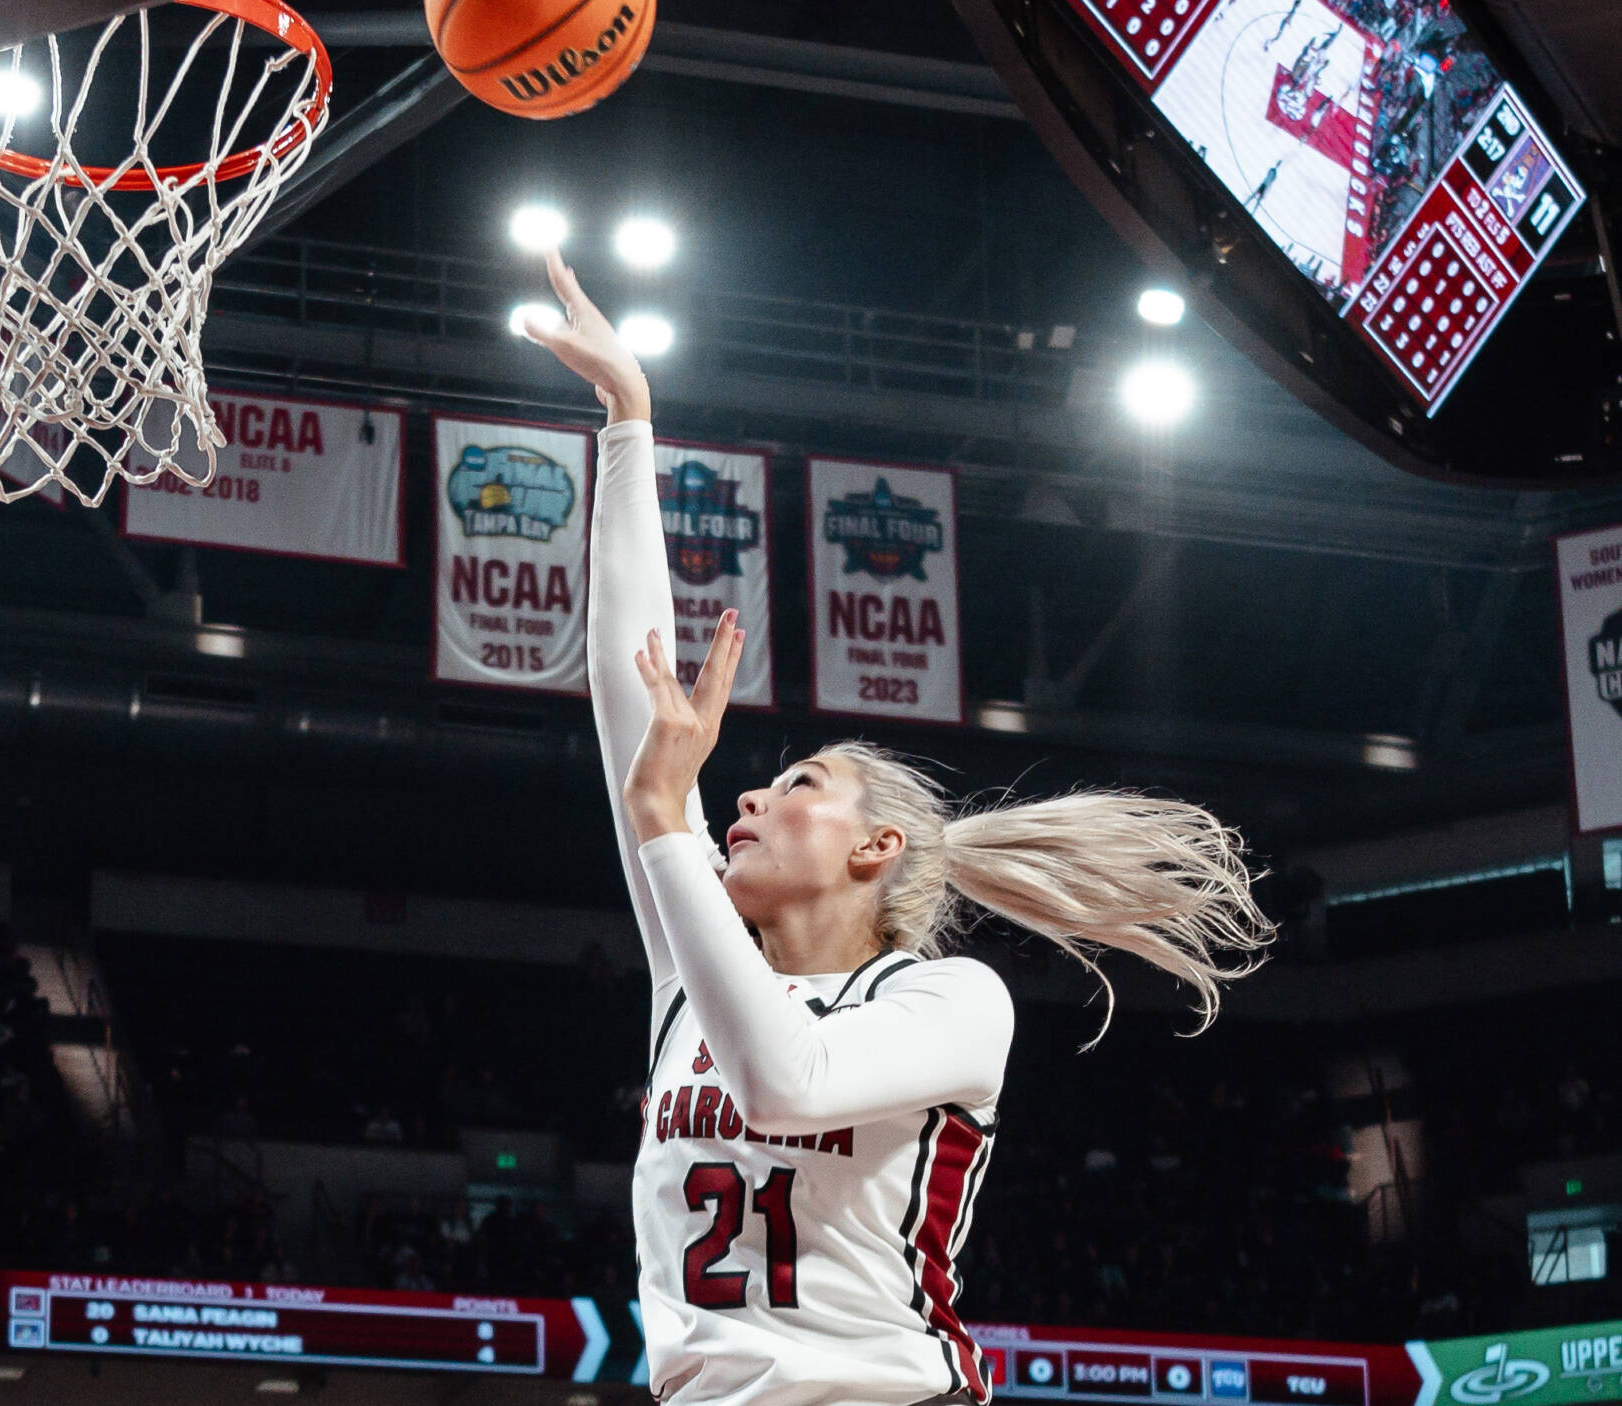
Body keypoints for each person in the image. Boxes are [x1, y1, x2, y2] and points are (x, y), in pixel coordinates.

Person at [519, 250, 1272, 1406]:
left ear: (877, 849)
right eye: (762, 786)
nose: (746, 798)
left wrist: (664, 810)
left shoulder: (947, 999)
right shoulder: (693, 980)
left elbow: (784, 1080)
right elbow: (634, 701)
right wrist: (629, 420)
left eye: (795, 784)